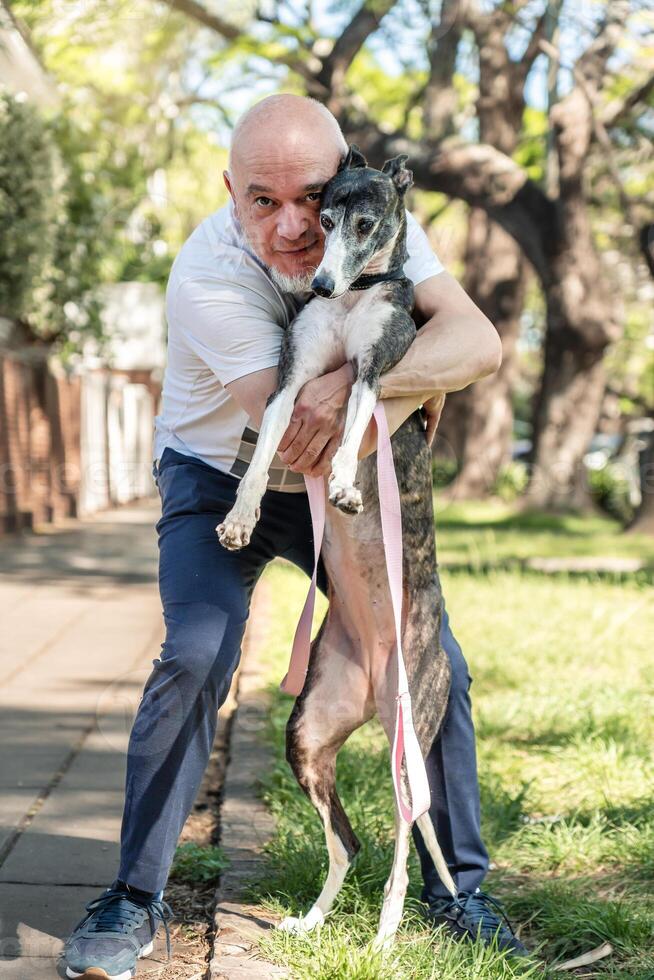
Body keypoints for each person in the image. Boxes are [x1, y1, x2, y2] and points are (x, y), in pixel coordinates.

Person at [62, 94, 526, 980]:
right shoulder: (208, 274)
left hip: (341, 481)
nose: (291, 226)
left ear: (346, 179)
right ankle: (130, 897)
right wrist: (405, 380)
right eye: (261, 201)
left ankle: (458, 888)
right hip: (222, 479)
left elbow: (481, 344)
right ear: (229, 192)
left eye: (309, 196)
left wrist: (371, 376)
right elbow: (305, 429)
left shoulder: (372, 219)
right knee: (199, 650)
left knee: (432, 658)